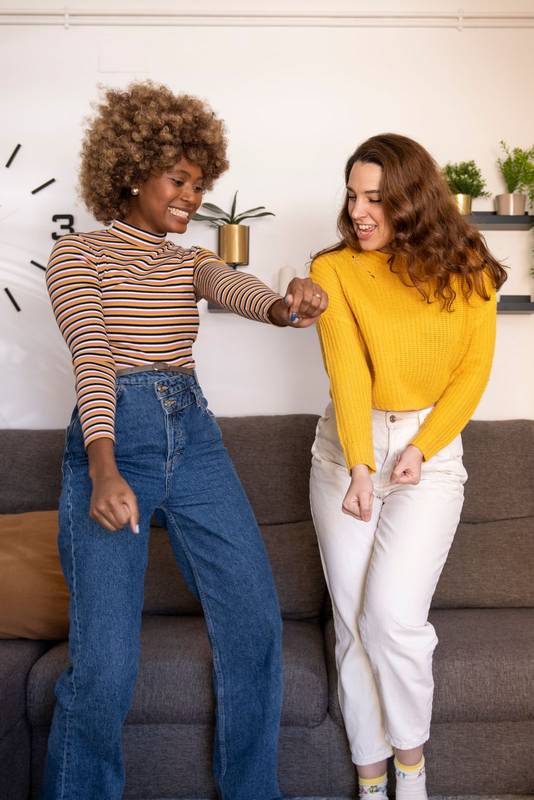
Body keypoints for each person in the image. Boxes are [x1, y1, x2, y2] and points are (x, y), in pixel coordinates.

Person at [42, 81, 327, 800]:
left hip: (192, 438)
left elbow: (245, 294)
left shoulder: (189, 260)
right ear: (133, 170)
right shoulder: (78, 257)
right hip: (116, 441)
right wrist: (104, 469)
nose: (190, 197)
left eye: (200, 184)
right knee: (105, 664)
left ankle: (253, 790)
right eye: (179, 180)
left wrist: (289, 306)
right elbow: (93, 358)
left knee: (256, 621)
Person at [309, 133, 506, 800]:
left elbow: (473, 372)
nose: (358, 211)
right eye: (352, 196)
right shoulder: (333, 270)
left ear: (411, 202)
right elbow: (349, 373)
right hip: (347, 448)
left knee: (390, 616)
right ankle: (371, 782)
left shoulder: (471, 267)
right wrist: (362, 466)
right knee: (351, 619)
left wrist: (420, 449)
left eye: (374, 198)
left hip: (430, 448)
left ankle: (411, 770)